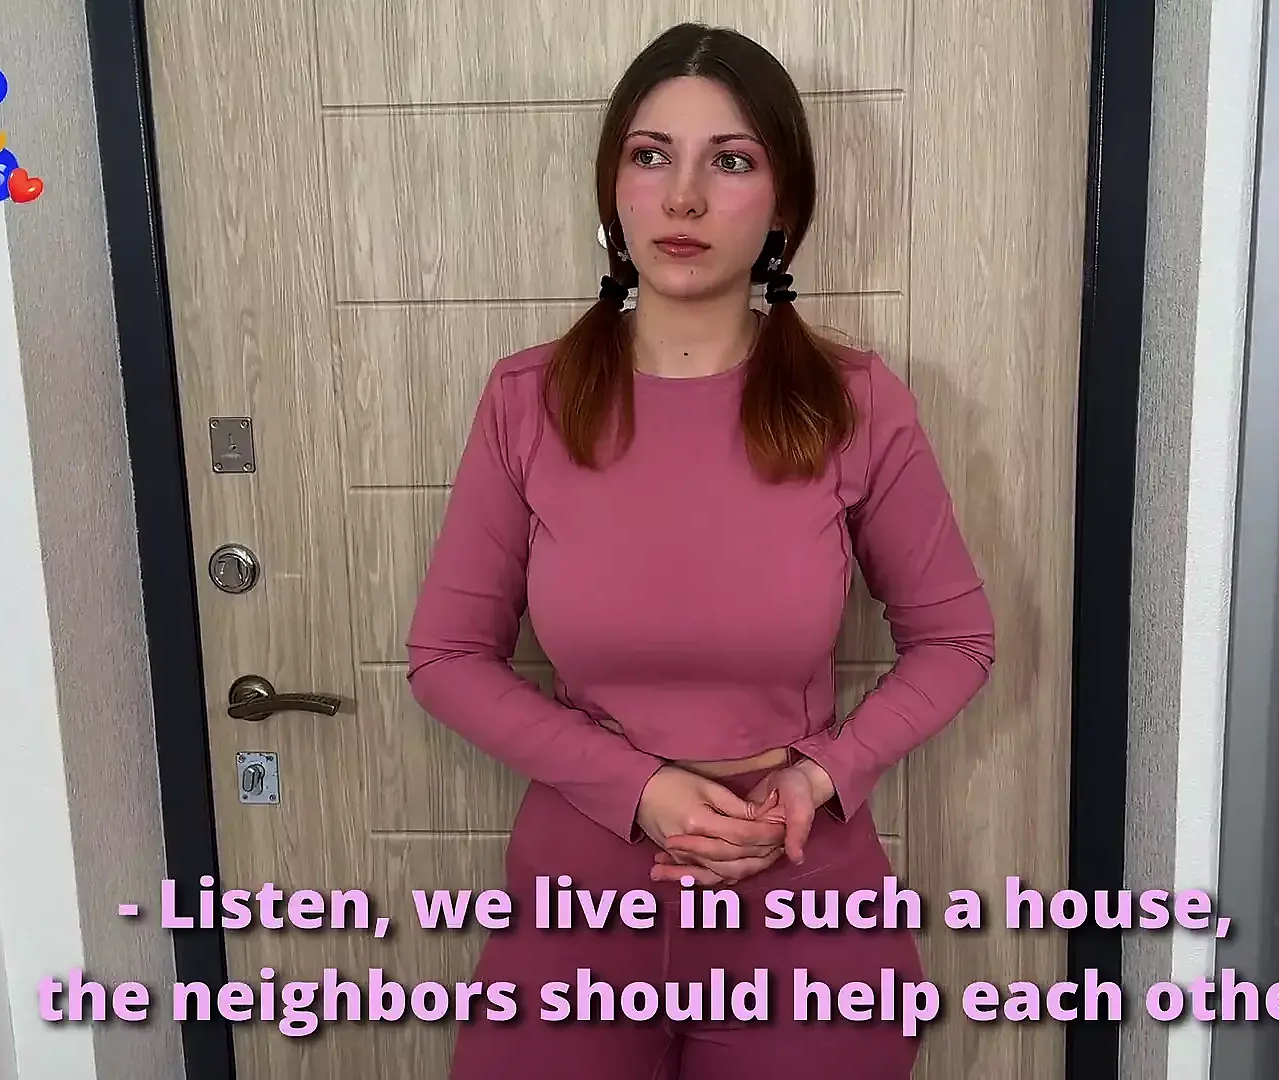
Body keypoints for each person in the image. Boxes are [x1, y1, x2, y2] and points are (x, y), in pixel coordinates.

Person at [405, 22, 996, 1080]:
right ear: (613, 187)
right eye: (651, 155)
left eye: (729, 161)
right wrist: (638, 787)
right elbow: (445, 658)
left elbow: (957, 639)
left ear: (783, 203)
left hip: (804, 902)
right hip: (578, 908)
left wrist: (821, 777)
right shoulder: (527, 401)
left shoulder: (856, 402)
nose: (682, 198)